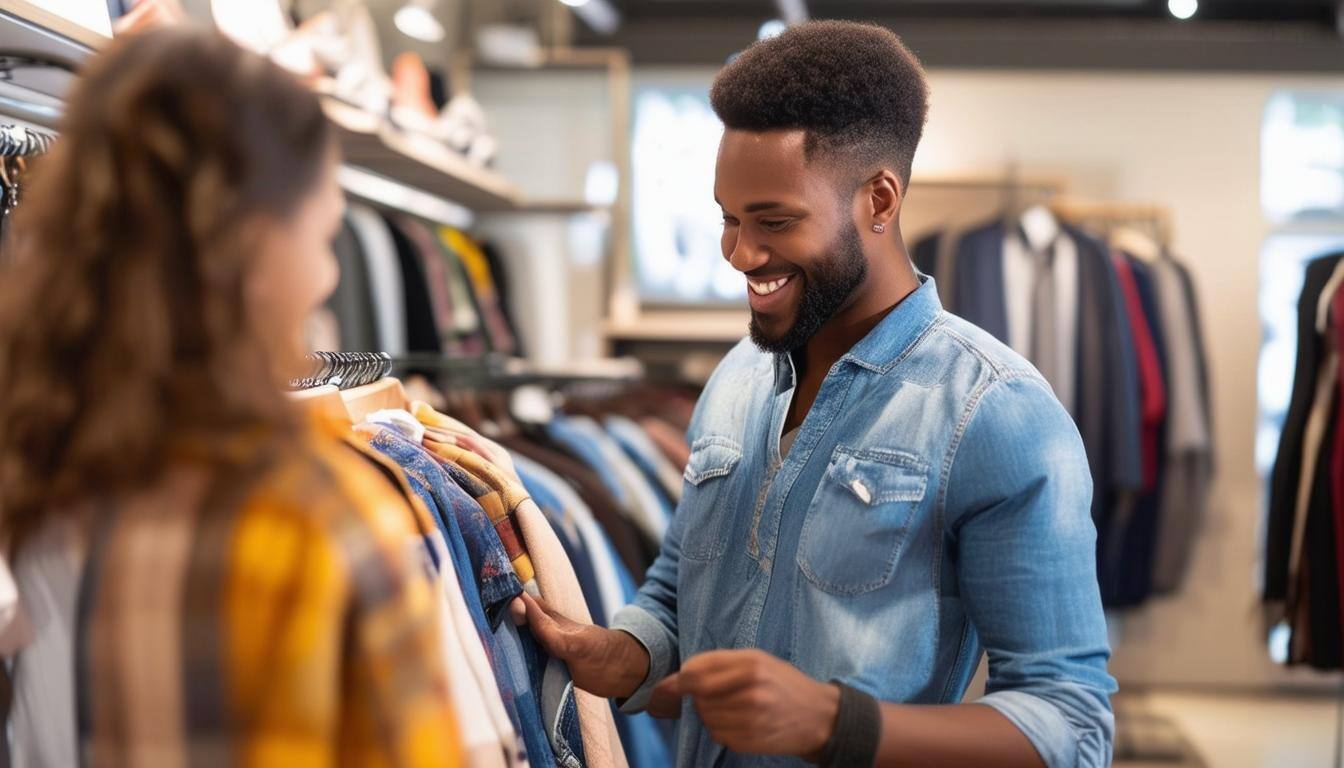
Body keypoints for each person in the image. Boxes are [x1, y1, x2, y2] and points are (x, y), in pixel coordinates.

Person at [516, 20, 1116, 768]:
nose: (740, 254)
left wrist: (835, 723)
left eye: (775, 221)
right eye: (729, 219)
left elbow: (1071, 723)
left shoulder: (995, 413)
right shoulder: (737, 377)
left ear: (880, 200)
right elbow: (679, 592)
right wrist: (628, 655)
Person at [0, 28, 462, 766]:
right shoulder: (317, 522)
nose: (328, 279)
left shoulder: (33, 482)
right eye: (320, 240)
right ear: (254, 254)